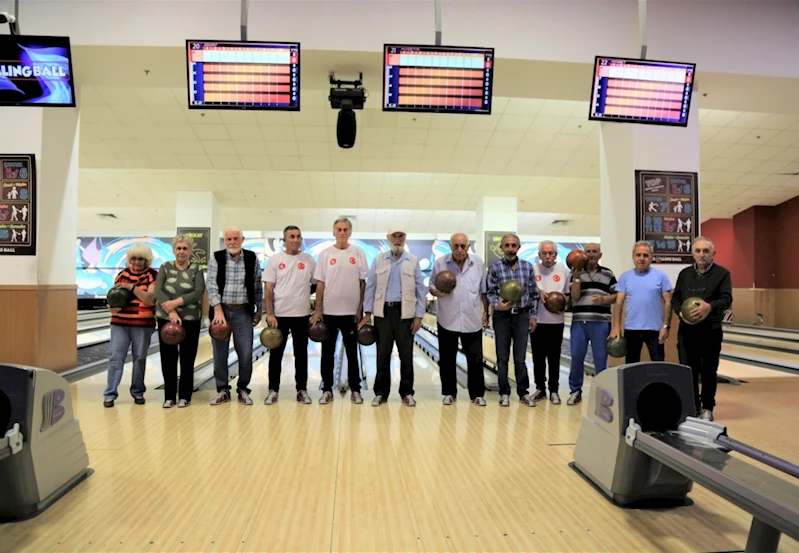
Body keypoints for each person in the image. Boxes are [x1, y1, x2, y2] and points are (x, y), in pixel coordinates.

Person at [361, 229, 427, 407]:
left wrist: (419, 316)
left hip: (405, 314)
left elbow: (421, 290)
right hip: (383, 313)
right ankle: (381, 393)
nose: (397, 240)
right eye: (394, 237)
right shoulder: (379, 259)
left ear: (405, 239)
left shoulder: (412, 261)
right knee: (383, 354)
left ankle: (406, 392)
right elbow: (371, 287)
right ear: (388, 238)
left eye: (401, 237)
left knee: (406, 355)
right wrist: (367, 313)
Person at [671, 236, 732, 421]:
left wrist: (709, 307)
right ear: (692, 253)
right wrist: (680, 312)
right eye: (698, 251)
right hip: (687, 331)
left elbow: (727, 299)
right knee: (688, 369)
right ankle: (693, 406)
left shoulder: (722, 274)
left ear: (713, 253)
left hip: (711, 330)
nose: (702, 254)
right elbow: (676, 298)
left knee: (709, 370)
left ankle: (707, 407)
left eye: (706, 251)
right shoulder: (684, 274)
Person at [311, 218, 368, 404]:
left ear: (350, 232)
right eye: (339, 229)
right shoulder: (326, 254)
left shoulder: (358, 253)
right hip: (329, 312)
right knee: (327, 352)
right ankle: (327, 388)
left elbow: (362, 283)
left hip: (351, 313)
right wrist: (318, 310)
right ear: (334, 232)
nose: (342, 232)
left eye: (345, 229)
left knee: (352, 353)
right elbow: (320, 284)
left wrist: (360, 309)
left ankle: (356, 389)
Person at [429, 233, 488, 406]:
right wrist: (437, 292)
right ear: (451, 246)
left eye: (463, 246)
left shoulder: (478, 263)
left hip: (472, 319)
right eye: (456, 246)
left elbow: (483, 290)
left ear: (468, 247)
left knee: (475, 359)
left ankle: (477, 394)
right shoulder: (440, 263)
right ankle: (449, 393)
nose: (460, 249)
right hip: (448, 318)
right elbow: (432, 285)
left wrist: (486, 314)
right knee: (447, 359)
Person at [207, 227, 263, 406]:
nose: (232, 242)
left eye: (235, 238)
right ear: (224, 241)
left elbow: (256, 285)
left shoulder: (251, 257)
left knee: (245, 353)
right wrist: (217, 309)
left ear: (242, 239)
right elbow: (212, 285)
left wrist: (259, 308)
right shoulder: (216, 257)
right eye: (228, 239)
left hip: (243, 312)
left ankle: (243, 389)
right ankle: (222, 390)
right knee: (220, 353)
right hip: (220, 311)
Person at [263, 225, 316, 405]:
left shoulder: (309, 260)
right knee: (275, 354)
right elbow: (268, 289)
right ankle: (273, 389)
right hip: (279, 315)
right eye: (291, 236)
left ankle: (301, 389)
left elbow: (317, 284)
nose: (295, 239)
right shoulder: (275, 260)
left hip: (301, 315)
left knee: (301, 355)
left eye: (298, 236)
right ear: (284, 240)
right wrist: (270, 313)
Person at [486, 234, 539, 407]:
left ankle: (523, 392)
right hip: (502, 316)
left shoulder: (527, 266)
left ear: (518, 247)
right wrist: (497, 305)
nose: (510, 248)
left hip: (522, 315)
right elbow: (490, 292)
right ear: (501, 248)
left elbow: (533, 294)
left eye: (513, 245)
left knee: (520, 357)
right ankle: (504, 392)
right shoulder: (495, 267)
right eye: (507, 245)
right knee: (502, 357)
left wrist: (533, 315)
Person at [103, 244, 158, 408]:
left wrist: (131, 287)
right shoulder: (122, 274)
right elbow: (114, 296)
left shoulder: (152, 275)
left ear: (146, 260)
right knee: (115, 357)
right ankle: (110, 394)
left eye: (141, 259)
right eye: (134, 258)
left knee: (139, 357)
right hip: (120, 323)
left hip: (142, 324)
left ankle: (138, 392)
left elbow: (150, 299)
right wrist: (111, 307)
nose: (137, 262)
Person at [154, 234, 206, 408]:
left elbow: (198, 292)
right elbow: (158, 290)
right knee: (167, 358)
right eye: (179, 248)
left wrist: (175, 303)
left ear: (190, 251)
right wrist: (171, 312)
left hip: (191, 319)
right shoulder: (165, 267)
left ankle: (185, 396)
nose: (182, 252)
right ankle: (169, 396)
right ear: (174, 250)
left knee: (187, 358)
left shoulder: (196, 269)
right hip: (166, 318)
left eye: (185, 248)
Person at [567, 243, 617, 406]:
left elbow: (616, 296)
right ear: (583, 254)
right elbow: (574, 297)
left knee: (601, 359)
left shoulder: (608, 274)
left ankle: (602, 393)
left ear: (600, 255)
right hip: (580, 321)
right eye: (588, 251)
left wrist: (604, 299)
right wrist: (576, 277)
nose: (591, 254)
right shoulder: (574, 272)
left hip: (601, 322)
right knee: (576, 357)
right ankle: (575, 391)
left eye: (594, 252)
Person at [610, 241, 673, 363]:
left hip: (655, 329)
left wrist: (666, 326)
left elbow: (668, 303)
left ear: (651, 257)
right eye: (638, 255)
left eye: (646, 255)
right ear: (633, 257)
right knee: (631, 366)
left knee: (659, 365)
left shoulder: (661, 276)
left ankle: (657, 383)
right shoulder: (625, 277)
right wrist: (616, 327)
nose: (642, 258)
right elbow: (619, 303)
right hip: (632, 329)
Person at [531, 240, 570, 404]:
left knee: (554, 357)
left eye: (551, 253)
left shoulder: (564, 271)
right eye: (544, 253)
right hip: (537, 320)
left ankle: (554, 390)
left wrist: (562, 305)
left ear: (556, 254)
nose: (548, 256)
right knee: (538, 357)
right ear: (539, 255)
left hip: (557, 321)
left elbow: (567, 295)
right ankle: (540, 389)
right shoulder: (532, 270)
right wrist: (537, 291)